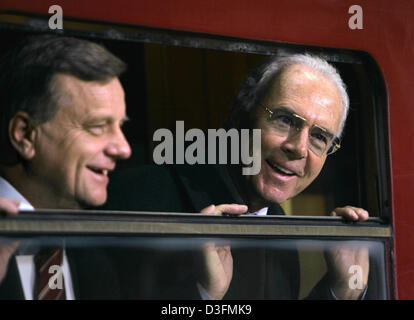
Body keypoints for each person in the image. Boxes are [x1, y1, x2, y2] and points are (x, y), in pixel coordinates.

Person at [104, 54, 375, 299]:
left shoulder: (280, 227)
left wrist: (339, 291)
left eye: (319, 137)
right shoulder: (134, 198)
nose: (299, 148)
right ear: (242, 114)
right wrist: (202, 295)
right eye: (284, 120)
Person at [0, 34, 131, 299]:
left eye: (121, 126)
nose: (124, 148)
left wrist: (205, 294)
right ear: (25, 135)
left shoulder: (99, 259)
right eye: (97, 127)